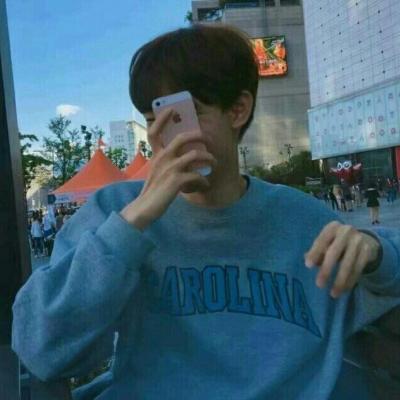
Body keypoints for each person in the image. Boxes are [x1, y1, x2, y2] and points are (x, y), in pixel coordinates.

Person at [11, 24, 400, 400]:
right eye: (153, 119)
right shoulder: (113, 212)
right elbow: (39, 347)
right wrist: (132, 224)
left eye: (181, 116)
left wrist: (377, 253)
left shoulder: (301, 219)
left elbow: (381, 271)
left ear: (238, 110)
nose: (164, 138)